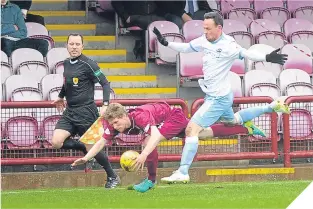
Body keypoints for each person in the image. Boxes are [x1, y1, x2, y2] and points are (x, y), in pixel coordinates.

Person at [152, 11, 290, 183]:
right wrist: (167, 43)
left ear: (219, 28)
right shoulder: (205, 39)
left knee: (191, 130)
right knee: (232, 121)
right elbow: (187, 47)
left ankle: (183, 171)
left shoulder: (228, 45)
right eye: (204, 28)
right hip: (221, 95)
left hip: (218, 98)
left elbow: (246, 54)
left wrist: (267, 57)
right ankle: (271, 107)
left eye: (208, 29)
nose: (205, 32)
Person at [71, 100, 286, 193]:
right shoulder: (112, 124)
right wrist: (87, 157)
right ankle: (245, 129)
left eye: (118, 123)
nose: (116, 128)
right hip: (168, 120)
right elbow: (101, 140)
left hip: (172, 116)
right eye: (114, 125)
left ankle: (150, 181)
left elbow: (154, 135)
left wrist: (144, 154)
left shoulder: (140, 116)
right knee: (204, 133)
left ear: (123, 116)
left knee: (149, 141)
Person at [51, 33, 120, 189]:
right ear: (66, 46)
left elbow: (105, 84)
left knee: (93, 148)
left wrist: (105, 104)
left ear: (82, 46)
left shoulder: (89, 64)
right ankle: (82, 147)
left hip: (86, 112)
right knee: (56, 142)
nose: (74, 47)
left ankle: (112, 176)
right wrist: (61, 96)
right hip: (70, 112)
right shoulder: (66, 63)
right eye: (71, 44)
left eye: (77, 44)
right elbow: (67, 83)